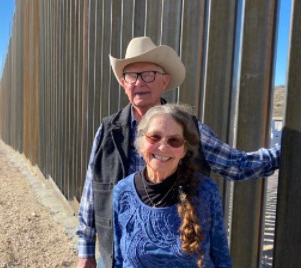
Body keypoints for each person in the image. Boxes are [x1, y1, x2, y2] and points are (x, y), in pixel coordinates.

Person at [76, 36, 280, 268]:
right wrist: (86, 250)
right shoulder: (108, 130)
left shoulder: (189, 128)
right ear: (124, 83)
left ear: (164, 81)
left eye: (148, 75)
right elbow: (92, 190)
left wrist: (287, 152)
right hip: (119, 253)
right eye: (131, 76)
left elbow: (237, 165)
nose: (138, 82)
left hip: (182, 251)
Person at [113, 104, 232, 267]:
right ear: (141, 142)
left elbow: (221, 258)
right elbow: (119, 259)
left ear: (184, 150)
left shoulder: (205, 191)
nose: (162, 147)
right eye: (154, 137)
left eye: (174, 140)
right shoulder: (123, 191)